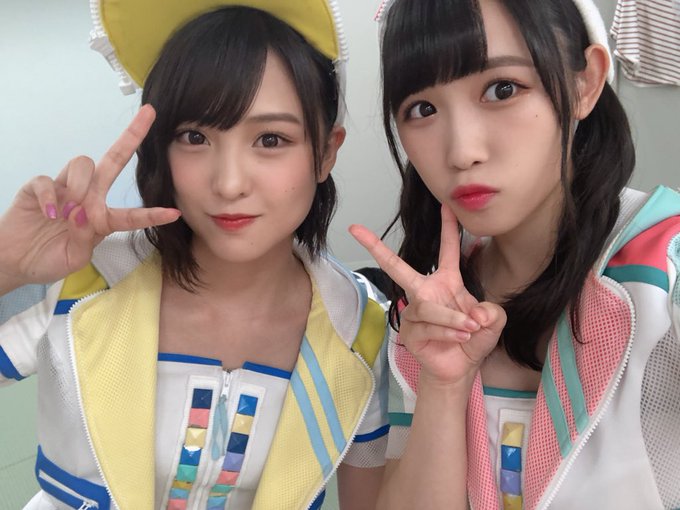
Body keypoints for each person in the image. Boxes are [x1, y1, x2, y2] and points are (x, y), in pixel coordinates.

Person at [0, 2, 390, 509]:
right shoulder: (87, 279)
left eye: (270, 139)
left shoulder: (359, 326)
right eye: (194, 137)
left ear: (327, 152)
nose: (228, 184)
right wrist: (7, 264)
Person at [350, 0, 680, 508]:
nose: (461, 151)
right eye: (423, 109)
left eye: (502, 89)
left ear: (585, 83)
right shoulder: (429, 305)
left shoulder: (664, 265)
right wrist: (443, 384)